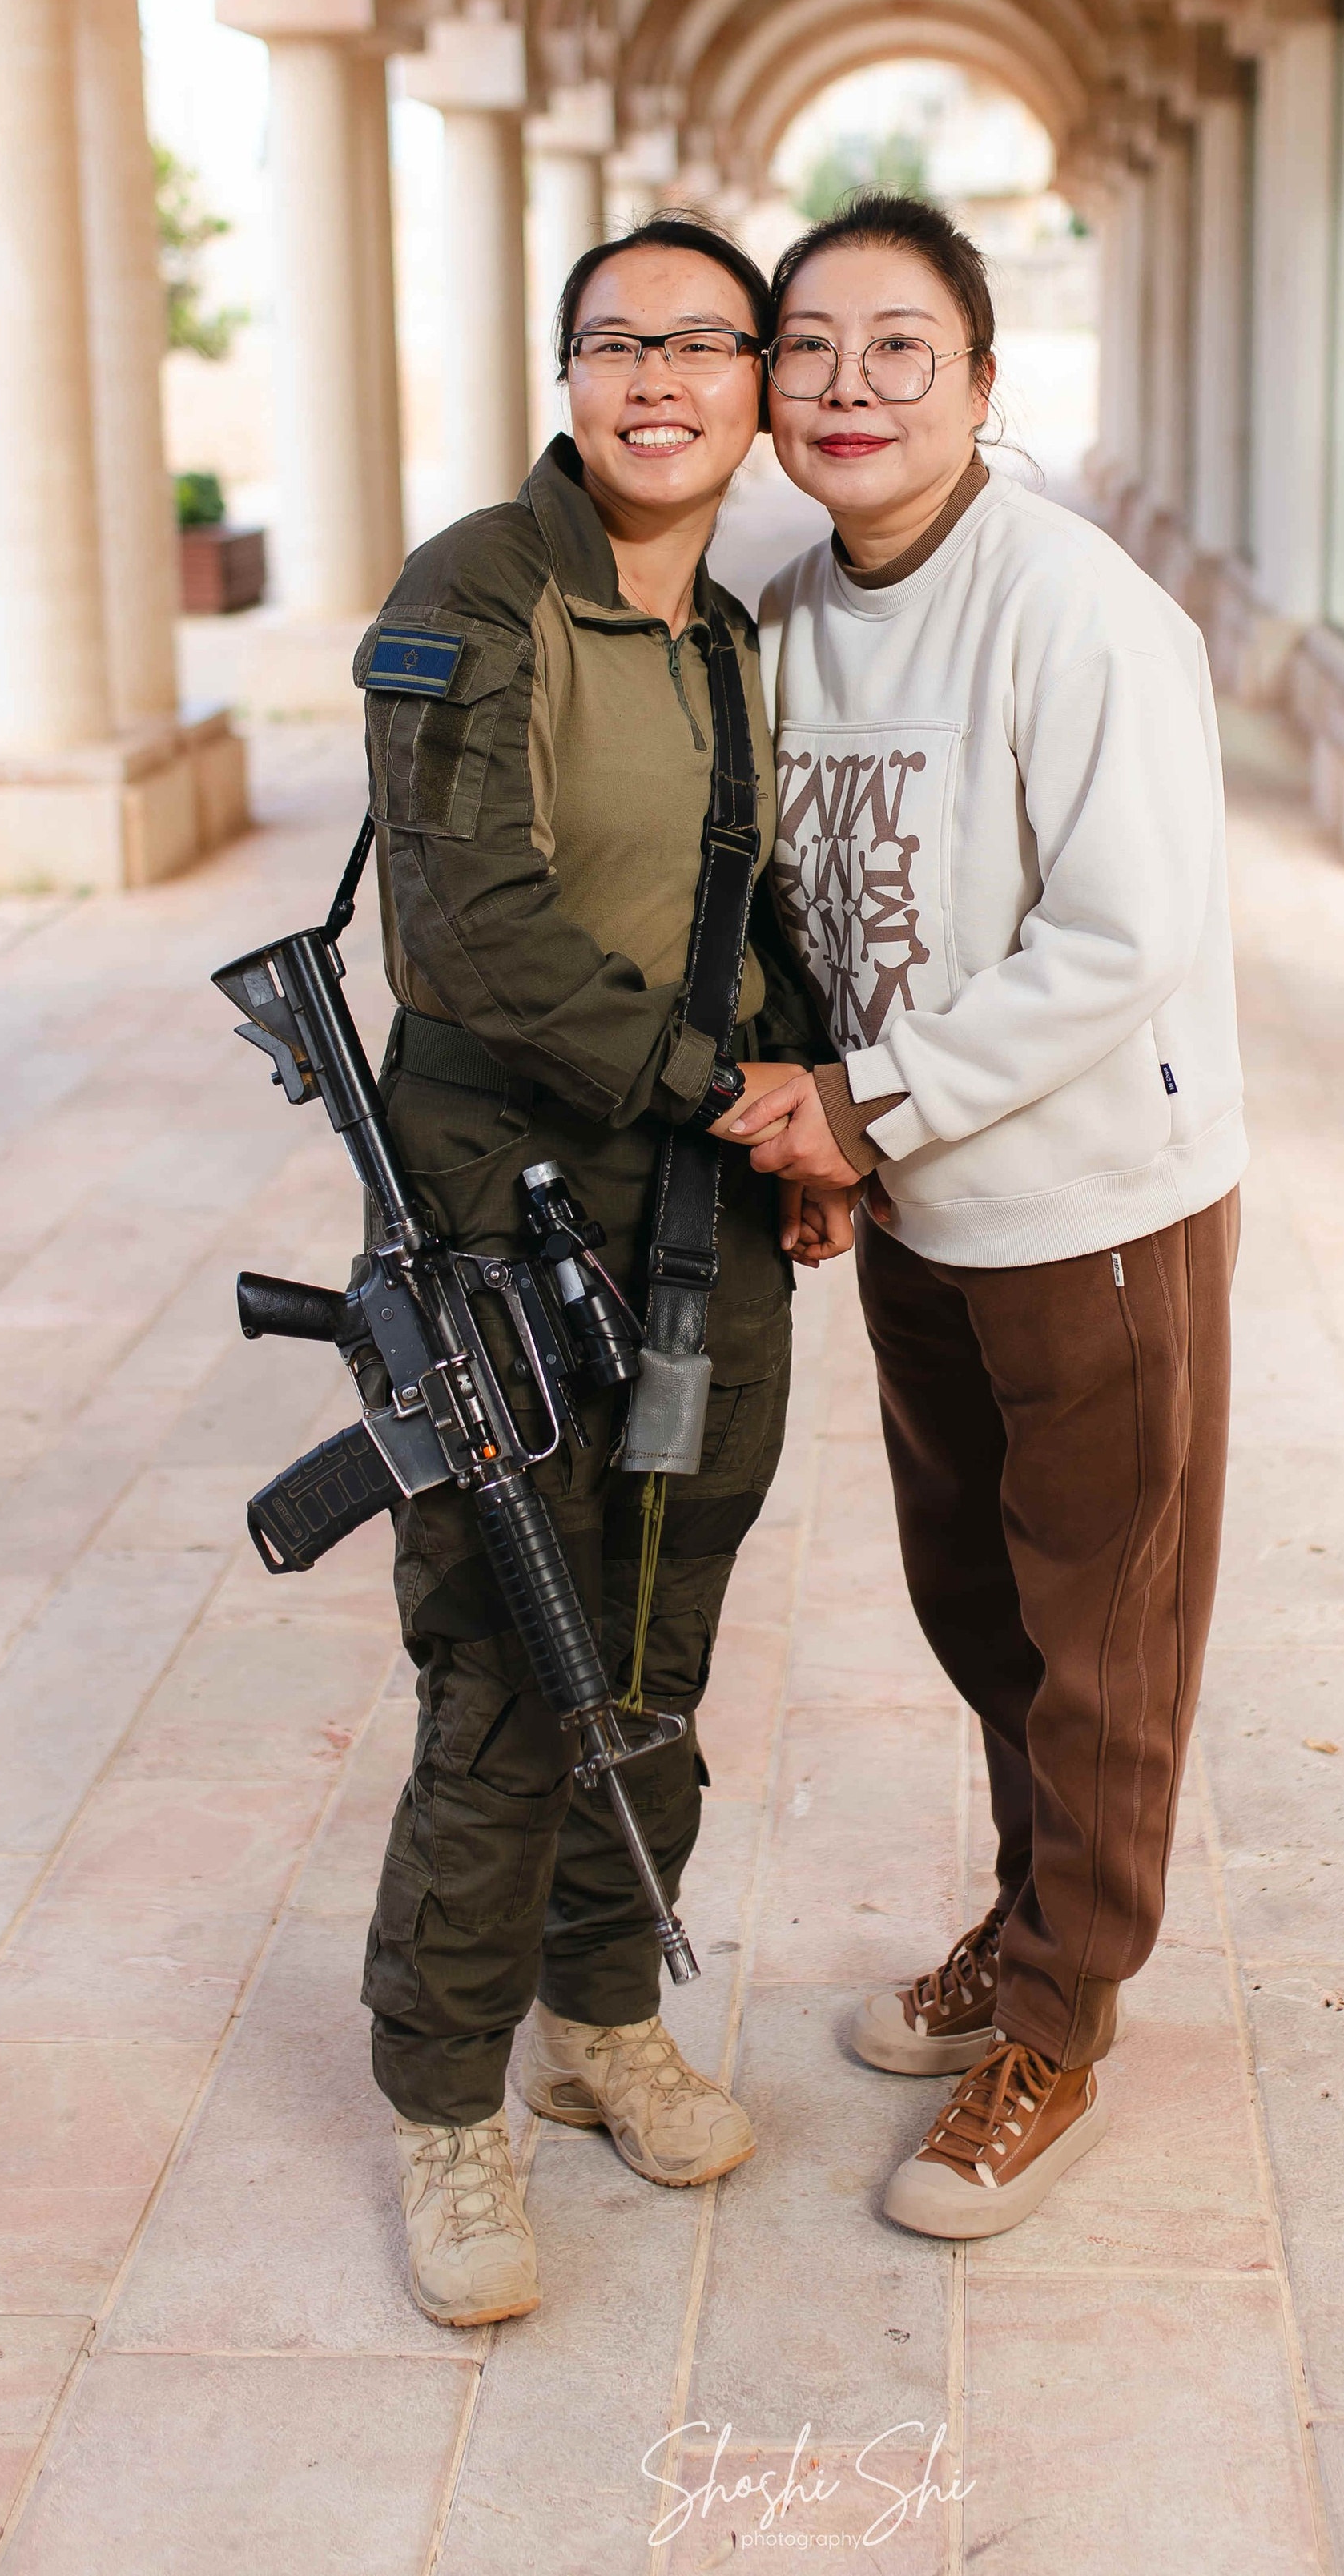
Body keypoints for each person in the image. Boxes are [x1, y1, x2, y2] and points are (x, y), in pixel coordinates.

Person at [726, 191, 1245, 2241]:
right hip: (920, 1203)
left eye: (898, 349)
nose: (849, 389)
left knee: (1102, 1627)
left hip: (1093, 1204)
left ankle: (1063, 2018)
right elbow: (800, 918)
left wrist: (867, 1100)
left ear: (981, 382)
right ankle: (1035, 1926)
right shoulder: (781, 616)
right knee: (977, 1602)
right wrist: (820, 1135)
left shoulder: (1075, 604)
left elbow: (1121, 935)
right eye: (810, 350)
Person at [354, 214, 831, 2329]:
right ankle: (449, 2102)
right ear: (567, 379)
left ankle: (600, 2008)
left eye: (700, 344)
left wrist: (810, 1113)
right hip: (504, 1186)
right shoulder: (479, 586)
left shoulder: (724, 629)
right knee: (510, 1648)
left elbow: (746, 909)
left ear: (753, 388)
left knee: (658, 1615)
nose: (658, 378)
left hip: (696, 1199)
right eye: (616, 342)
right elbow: (466, 925)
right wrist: (723, 1088)